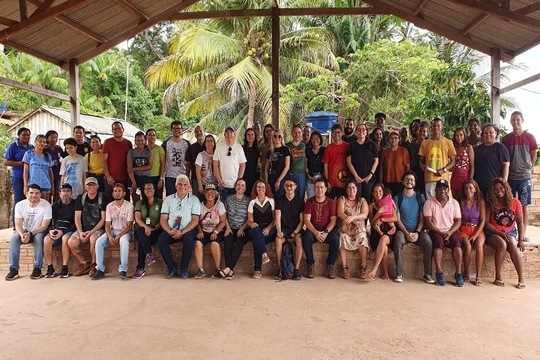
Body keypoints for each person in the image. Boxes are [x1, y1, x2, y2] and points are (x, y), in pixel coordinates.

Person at [393, 171, 434, 284]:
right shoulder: (398, 198)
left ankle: (427, 274)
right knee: (397, 241)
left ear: (415, 183)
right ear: (403, 182)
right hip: (403, 230)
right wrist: (406, 233)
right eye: (407, 179)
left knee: (428, 241)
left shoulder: (420, 198)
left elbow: (422, 219)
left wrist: (417, 232)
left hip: (417, 230)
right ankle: (399, 273)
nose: (409, 181)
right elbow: (397, 219)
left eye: (412, 179)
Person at [483, 177, 526, 289]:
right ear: (493, 191)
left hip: (510, 232)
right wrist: (499, 233)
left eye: (501, 188)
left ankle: (521, 278)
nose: (499, 191)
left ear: (506, 188)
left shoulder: (515, 202)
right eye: (496, 189)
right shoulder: (491, 204)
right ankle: (498, 276)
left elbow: (520, 221)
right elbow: (486, 223)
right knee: (502, 244)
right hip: (493, 232)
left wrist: (521, 239)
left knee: (512, 243)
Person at [502, 111, 538, 242]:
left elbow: (534, 154)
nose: (516, 122)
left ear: (522, 120)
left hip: (524, 177)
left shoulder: (530, 137)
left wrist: (530, 168)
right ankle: (510, 230)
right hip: (511, 177)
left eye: (518, 119)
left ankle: (523, 233)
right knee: (510, 204)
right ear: (510, 122)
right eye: (513, 120)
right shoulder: (506, 139)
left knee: (524, 205)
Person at [5, 184, 52, 281]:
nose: (34, 195)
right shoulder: (20, 205)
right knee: (14, 238)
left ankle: (37, 268)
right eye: (31, 193)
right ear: (27, 193)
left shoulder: (46, 205)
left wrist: (31, 233)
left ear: (40, 194)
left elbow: (44, 226)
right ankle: (13, 269)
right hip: (25, 230)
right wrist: (22, 234)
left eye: (36, 193)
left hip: (39, 230)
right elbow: (18, 224)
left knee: (38, 238)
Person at [158, 174, 200, 279]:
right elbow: (163, 219)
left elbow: (195, 221)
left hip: (187, 230)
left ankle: (184, 267)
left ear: (189, 187)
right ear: (176, 186)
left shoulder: (194, 200)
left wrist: (182, 232)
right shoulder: (168, 199)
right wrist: (169, 231)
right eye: (180, 184)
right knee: (162, 239)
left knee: (189, 239)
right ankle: (171, 267)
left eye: (185, 185)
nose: (183, 187)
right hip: (171, 230)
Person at [423, 179, 465, 287]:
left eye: (445, 188)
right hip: (436, 230)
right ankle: (439, 272)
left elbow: (458, 221)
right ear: (435, 190)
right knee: (437, 242)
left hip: (451, 230)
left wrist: (450, 232)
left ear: (448, 189)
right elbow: (428, 221)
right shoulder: (429, 202)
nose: (442, 191)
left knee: (457, 243)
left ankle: (458, 273)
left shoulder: (454, 203)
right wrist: (441, 233)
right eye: (440, 188)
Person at [67, 177, 109, 277]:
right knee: (71, 242)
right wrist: (80, 232)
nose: (91, 187)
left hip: (97, 229)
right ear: (85, 187)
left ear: (97, 186)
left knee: (94, 239)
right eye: (89, 185)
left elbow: (103, 219)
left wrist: (91, 232)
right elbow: (77, 217)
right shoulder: (80, 198)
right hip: (83, 229)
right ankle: (84, 263)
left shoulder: (103, 198)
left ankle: (94, 264)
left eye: (93, 184)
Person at [92, 183, 134, 280]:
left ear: (124, 193)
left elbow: (129, 226)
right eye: (115, 191)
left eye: (119, 191)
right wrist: (109, 236)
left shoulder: (129, 206)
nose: (117, 193)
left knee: (124, 241)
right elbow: (107, 224)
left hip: (125, 232)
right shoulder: (109, 206)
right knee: (99, 242)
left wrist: (118, 236)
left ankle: (123, 269)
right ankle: (100, 270)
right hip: (113, 231)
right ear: (112, 194)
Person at [302, 177, 339, 279]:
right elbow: (307, 220)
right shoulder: (309, 202)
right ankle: (310, 264)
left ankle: (330, 264)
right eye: (317, 187)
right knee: (306, 238)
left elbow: (333, 220)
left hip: (326, 229)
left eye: (322, 187)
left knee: (335, 239)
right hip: (313, 229)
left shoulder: (331, 202)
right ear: (314, 189)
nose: (319, 190)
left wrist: (325, 232)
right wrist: (316, 233)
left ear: (326, 189)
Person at [336, 180, 369, 279]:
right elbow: (340, 213)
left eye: (353, 187)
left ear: (357, 189)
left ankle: (363, 267)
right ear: (346, 190)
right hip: (345, 229)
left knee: (362, 237)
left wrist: (352, 217)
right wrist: (353, 221)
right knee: (342, 237)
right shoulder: (342, 199)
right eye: (349, 188)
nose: (351, 190)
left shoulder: (362, 201)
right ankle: (344, 267)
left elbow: (364, 214)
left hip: (359, 229)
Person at [43, 183, 76, 278]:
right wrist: (51, 231)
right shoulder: (55, 205)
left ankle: (65, 268)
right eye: (63, 191)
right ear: (60, 193)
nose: (66, 193)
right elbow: (50, 221)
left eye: (68, 191)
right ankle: (50, 268)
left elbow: (77, 223)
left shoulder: (75, 204)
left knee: (65, 239)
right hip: (56, 230)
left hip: (69, 230)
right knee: (47, 240)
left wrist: (64, 232)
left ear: (71, 193)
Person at [194, 184, 227, 279]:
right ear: (204, 194)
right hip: (203, 230)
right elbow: (196, 221)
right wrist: (199, 231)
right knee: (198, 242)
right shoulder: (200, 205)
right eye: (208, 192)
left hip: (216, 230)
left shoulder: (219, 205)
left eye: (212, 192)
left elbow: (223, 221)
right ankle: (200, 269)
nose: (210, 194)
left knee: (214, 243)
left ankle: (217, 269)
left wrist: (216, 232)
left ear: (215, 194)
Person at [274, 177, 304, 281]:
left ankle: (296, 270)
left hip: (296, 230)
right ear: (283, 187)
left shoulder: (300, 201)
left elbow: (302, 221)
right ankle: (280, 269)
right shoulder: (279, 200)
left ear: (295, 186)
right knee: (278, 240)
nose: (289, 187)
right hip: (284, 229)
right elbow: (277, 217)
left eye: (291, 185)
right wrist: (279, 231)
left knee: (299, 240)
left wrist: (294, 233)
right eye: (286, 185)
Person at [132, 180, 163, 279]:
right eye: (146, 188)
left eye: (151, 188)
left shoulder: (160, 202)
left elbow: (163, 219)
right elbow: (137, 218)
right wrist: (146, 227)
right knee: (141, 231)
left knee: (142, 241)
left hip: (156, 231)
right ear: (143, 191)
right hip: (143, 230)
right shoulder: (139, 203)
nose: (148, 190)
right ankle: (149, 254)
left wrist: (154, 228)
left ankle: (140, 267)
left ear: (154, 190)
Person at [418, 118, 456, 199]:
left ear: (442, 127)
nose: (436, 128)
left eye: (438, 125)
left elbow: (453, 161)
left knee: (444, 203)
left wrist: (444, 170)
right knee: (431, 203)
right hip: (429, 179)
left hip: (443, 178)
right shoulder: (425, 143)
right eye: (434, 126)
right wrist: (422, 166)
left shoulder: (448, 142)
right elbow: (420, 161)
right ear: (431, 127)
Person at [222, 178, 251, 280]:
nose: (240, 187)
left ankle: (228, 268)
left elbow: (250, 218)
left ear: (245, 188)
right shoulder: (229, 199)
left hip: (243, 228)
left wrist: (242, 229)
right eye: (238, 185)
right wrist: (227, 228)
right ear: (235, 186)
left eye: (243, 185)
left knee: (239, 242)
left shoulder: (248, 201)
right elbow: (224, 215)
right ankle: (230, 270)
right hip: (230, 228)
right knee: (228, 242)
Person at [458, 179, 486, 286]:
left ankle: (479, 275)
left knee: (479, 245)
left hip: (477, 229)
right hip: (464, 229)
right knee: (468, 247)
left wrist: (475, 235)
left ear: (475, 189)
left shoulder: (480, 202)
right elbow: (459, 219)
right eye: (466, 188)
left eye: (470, 188)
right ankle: (466, 272)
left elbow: (483, 221)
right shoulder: (461, 202)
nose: (468, 190)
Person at [367, 183, 397, 280]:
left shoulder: (388, 201)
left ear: (383, 192)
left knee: (384, 239)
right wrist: (379, 212)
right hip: (376, 233)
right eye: (375, 192)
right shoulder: (371, 206)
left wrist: (382, 220)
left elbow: (395, 218)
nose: (378, 193)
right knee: (384, 248)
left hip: (388, 232)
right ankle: (385, 272)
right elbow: (371, 223)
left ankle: (375, 270)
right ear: (372, 193)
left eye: (380, 191)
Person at [247, 180, 276, 279]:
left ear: (266, 188)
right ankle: (264, 254)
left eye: (263, 187)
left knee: (256, 241)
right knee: (255, 230)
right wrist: (252, 223)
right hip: (257, 228)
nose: (261, 189)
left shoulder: (271, 201)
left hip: (269, 229)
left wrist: (268, 228)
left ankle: (257, 270)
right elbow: (249, 221)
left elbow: (275, 219)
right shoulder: (252, 202)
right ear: (256, 189)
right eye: (258, 187)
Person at [4, 127, 34, 224]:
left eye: (28, 135)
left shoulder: (31, 147)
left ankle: (27, 223)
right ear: (19, 135)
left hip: (31, 177)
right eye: (24, 134)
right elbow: (6, 162)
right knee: (18, 200)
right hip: (18, 177)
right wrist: (22, 163)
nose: (26, 137)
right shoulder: (13, 146)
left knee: (30, 200)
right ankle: (16, 224)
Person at [473, 124, 510, 195]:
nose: (488, 134)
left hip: (494, 187)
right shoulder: (478, 149)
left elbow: (506, 165)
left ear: (496, 133)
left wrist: (503, 183)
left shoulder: (500, 147)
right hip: (479, 187)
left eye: (491, 132)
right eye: (486, 133)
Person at [346, 123, 378, 201]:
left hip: (369, 179)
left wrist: (370, 175)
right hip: (355, 179)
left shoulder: (372, 144)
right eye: (359, 130)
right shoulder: (352, 145)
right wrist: (356, 176)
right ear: (356, 132)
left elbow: (376, 160)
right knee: (357, 200)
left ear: (366, 132)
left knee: (368, 201)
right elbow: (348, 162)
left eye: (363, 129)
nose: (361, 131)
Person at [213, 126, 247, 200]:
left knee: (235, 206)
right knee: (224, 206)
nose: (229, 134)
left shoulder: (239, 148)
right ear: (224, 135)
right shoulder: (219, 148)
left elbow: (242, 165)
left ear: (234, 135)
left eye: (231, 132)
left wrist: (239, 181)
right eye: (227, 133)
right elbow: (215, 165)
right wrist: (219, 180)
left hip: (235, 185)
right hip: (223, 184)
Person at [102, 121, 132, 198]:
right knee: (109, 202)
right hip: (111, 180)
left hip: (124, 179)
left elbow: (130, 161)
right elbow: (104, 160)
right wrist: (108, 176)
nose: (117, 130)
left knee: (125, 201)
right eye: (115, 129)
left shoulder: (128, 143)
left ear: (123, 129)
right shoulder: (107, 142)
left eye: (119, 128)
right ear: (112, 131)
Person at [162, 120, 190, 196]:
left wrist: (187, 175)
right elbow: (162, 160)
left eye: (179, 128)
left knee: (182, 197)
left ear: (182, 130)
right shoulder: (166, 143)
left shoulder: (186, 144)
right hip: (170, 176)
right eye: (174, 128)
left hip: (182, 175)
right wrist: (162, 176)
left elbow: (188, 162)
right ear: (171, 130)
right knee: (170, 197)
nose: (177, 130)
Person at [22, 134, 54, 202]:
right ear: (35, 142)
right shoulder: (29, 154)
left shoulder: (48, 156)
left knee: (45, 208)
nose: (42, 143)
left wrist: (52, 186)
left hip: (45, 185)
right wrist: (25, 185)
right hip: (33, 185)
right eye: (40, 141)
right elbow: (25, 171)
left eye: (44, 142)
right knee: (32, 208)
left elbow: (50, 172)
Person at [379, 130, 410, 197]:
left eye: (396, 138)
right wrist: (380, 181)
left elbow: (407, 167)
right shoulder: (384, 152)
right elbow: (381, 167)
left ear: (399, 139)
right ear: (388, 140)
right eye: (391, 138)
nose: (393, 140)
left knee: (399, 200)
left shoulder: (403, 151)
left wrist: (406, 180)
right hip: (387, 181)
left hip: (400, 181)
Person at [323, 124, 349, 199]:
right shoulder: (328, 148)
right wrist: (326, 181)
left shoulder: (347, 146)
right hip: (331, 183)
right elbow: (325, 164)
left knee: (342, 204)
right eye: (334, 132)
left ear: (342, 133)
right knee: (329, 204)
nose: (337, 134)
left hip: (344, 182)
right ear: (332, 134)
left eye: (338, 132)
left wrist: (348, 181)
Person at [127, 131, 153, 204]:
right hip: (133, 178)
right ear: (135, 141)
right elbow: (129, 169)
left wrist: (135, 168)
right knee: (136, 201)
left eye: (142, 140)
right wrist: (134, 183)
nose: (140, 142)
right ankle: (136, 215)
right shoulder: (131, 152)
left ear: (145, 141)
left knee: (147, 201)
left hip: (146, 178)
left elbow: (149, 166)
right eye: (138, 140)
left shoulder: (148, 152)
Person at [450, 127, 475, 199]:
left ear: (464, 135)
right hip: (455, 176)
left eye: (461, 135)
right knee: (455, 200)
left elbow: (472, 166)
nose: (459, 137)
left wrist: (470, 179)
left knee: (465, 199)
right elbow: (452, 164)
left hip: (465, 176)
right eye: (457, 135)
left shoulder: (468, 147)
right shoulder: (454, 148)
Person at [265, 129, 290, 198]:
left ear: (282, 138)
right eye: (275, 136)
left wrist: (279, 180)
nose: (277, 138)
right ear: (272, 138)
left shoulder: (285, 149)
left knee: (279, 199)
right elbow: (266, 168)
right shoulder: (270, 151)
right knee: (270, 199)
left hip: (281, 179)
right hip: (271, 178)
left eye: (279, 136)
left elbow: (287, 166)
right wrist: (266, 182)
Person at [286, 124, 307, 198]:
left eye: (299, 132)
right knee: (290, 196)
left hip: (301, 175)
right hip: (291, 174)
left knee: (300, 196)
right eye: (295, 132)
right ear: (292, 133)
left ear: (301, 134)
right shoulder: (287, 146)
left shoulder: (304, 146)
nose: (297, 134)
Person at [185, 125, 206, 199]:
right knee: (196, 200)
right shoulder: (191, 148)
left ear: (204, 132)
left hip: (209, 179)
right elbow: (188, 164)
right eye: (196, 132)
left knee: (209, 200)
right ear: (195, 134)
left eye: (200, 131)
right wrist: (187, 177)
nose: (199, 133)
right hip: (195, 179)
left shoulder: (210, 146)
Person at [195, 134, 218, 199]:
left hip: (216, 185)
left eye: (211, 140)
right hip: (204, 184)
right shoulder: (201, 155)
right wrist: (200, 185)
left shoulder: (217, 154)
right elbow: (197, 171)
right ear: (205, 143)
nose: (209, 143)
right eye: (207, 141)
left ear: (214, 142)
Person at [408, 122, 428, 194]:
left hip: (425, 170)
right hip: (414, 170)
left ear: (427, 133)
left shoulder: (429, 144)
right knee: (415, 191)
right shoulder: (411, 145)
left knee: (424, 191)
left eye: (424, 131)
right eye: (420, 131)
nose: (421, 133)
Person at [305, 131, 325, 199]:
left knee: (320, 197)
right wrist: (309, 176)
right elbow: (305, 165)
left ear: (320, 139)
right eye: (313, 138)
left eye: (317, 138)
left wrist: (322, 177)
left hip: (321, 178)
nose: (315, 140)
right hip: (310, 178)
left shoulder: (324, 150)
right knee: (311, 198)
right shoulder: (307, 150)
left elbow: (326, 165)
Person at [146, 128, 166, 199]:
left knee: (157, 199)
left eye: (154, 135)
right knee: (146, 198)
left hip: (156, 177)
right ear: (146, 137)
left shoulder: (159, 149)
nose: (152, 137)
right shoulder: (143, 149)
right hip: (145, 177)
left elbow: (163, 164)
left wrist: (161, 179)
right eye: (150, 135)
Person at [45, 130, 63, 202]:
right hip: (47, 175)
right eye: (51, 137)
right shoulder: (45, 149)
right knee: (48, 194)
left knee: (57, 195)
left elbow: (63, 159)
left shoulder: (59, 149)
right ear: (47, 138)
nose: (54, 139)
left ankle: (55, 211)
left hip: (58, 175)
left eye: (55, 137)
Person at [242, 128, 259, 195]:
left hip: (255, 176)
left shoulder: (258, 149)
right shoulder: (242, 149)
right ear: (246, 136)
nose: (250, 136)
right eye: (248, 135)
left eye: (252, 134)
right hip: (244, 175)